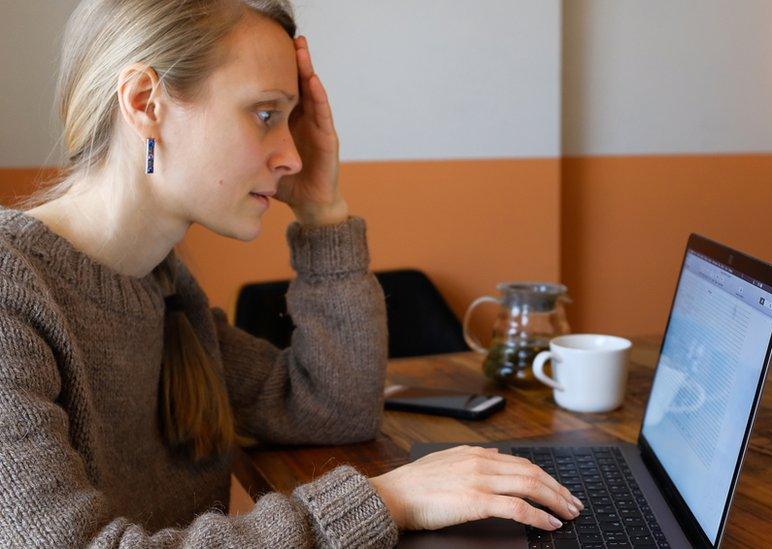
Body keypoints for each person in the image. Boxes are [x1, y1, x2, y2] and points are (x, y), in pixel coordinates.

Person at [0, 0, 584, 547]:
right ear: (145, 102)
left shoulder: (163, 287)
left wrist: (323, 213)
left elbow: (334, 408)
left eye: (291, 119)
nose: (292, 155)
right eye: (265, 114)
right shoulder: (13, 290)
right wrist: (382, 500)